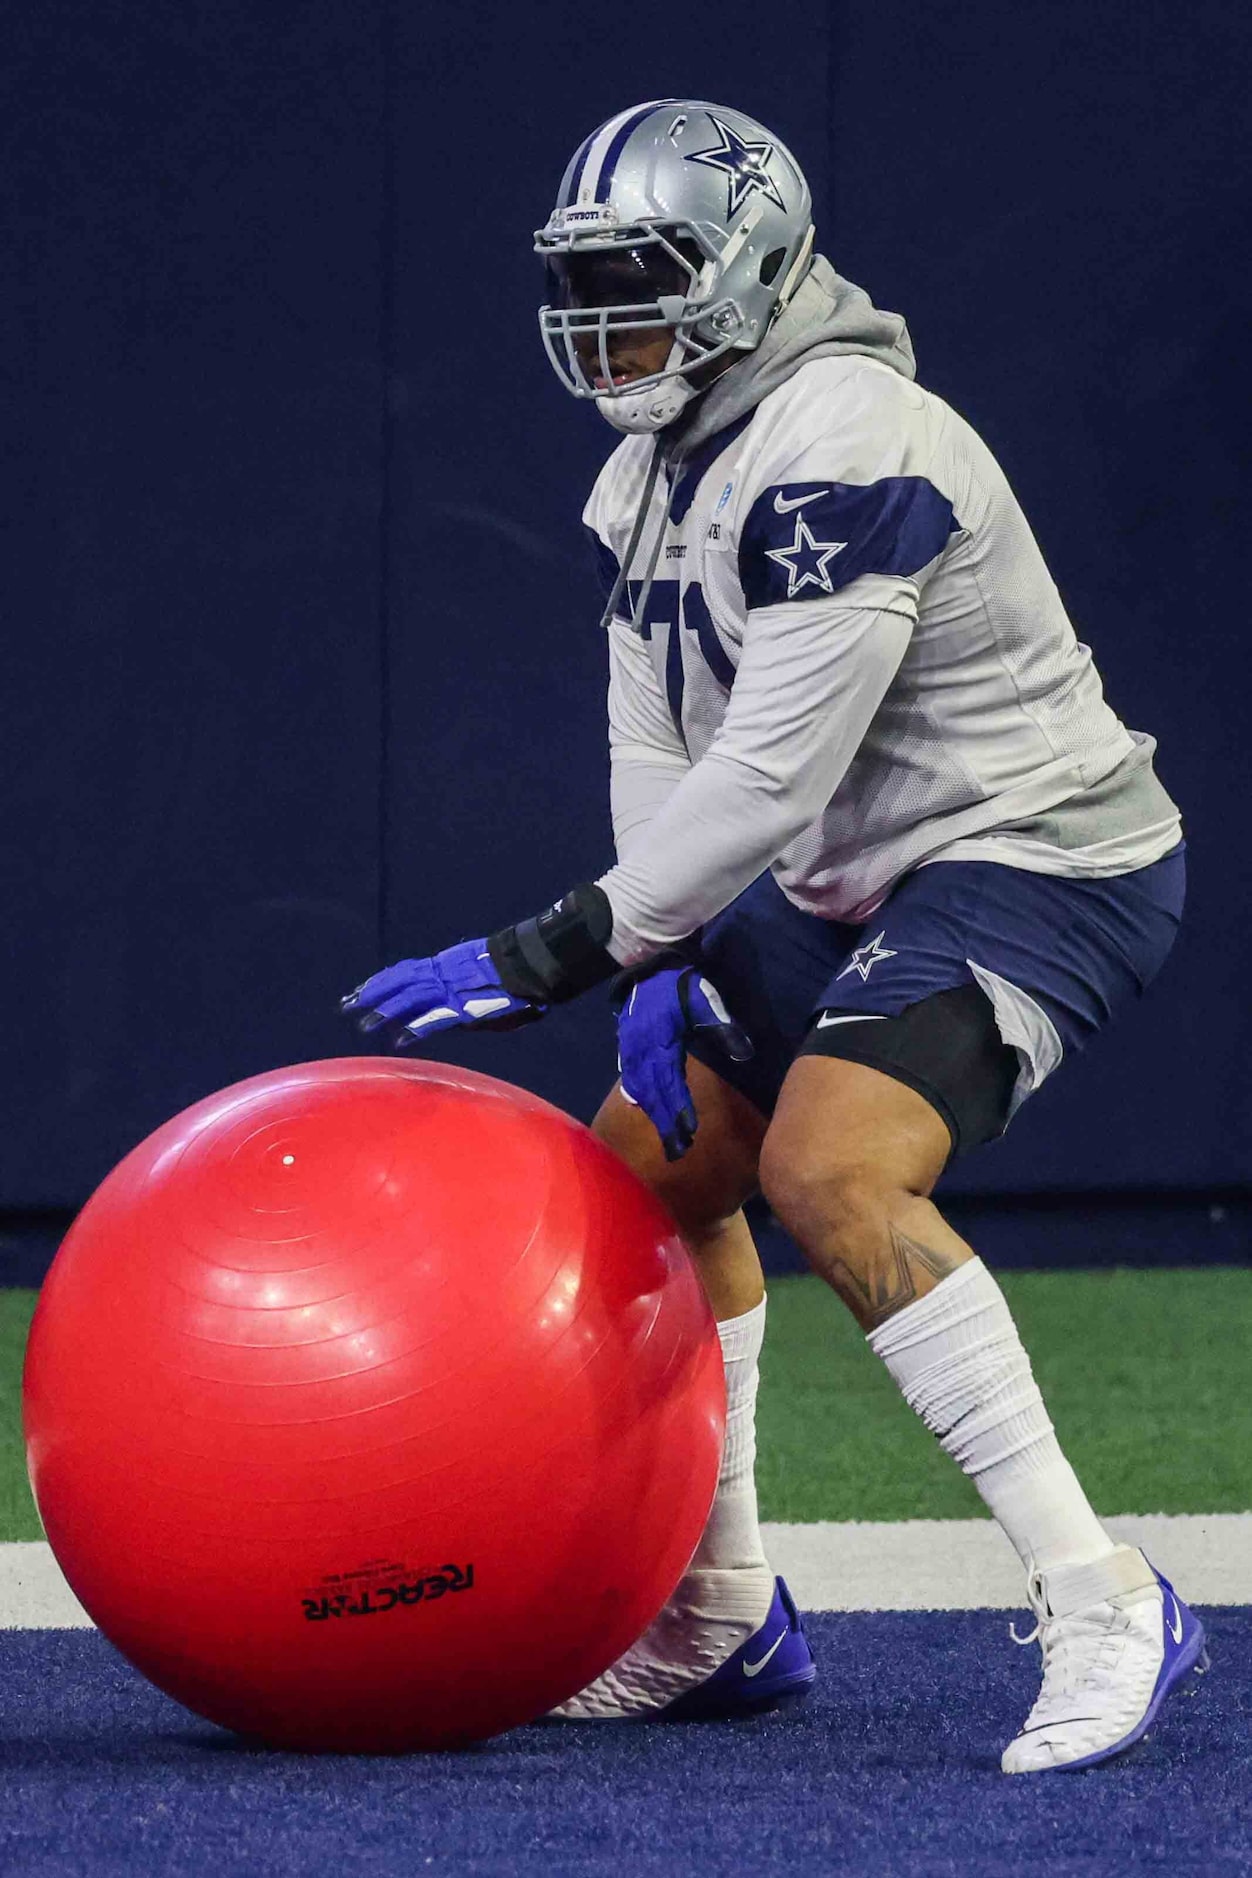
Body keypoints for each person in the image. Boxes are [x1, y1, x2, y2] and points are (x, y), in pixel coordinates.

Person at [342, 99, 1207, 1772]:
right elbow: (659, 743)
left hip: (1039, 854)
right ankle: (719, 1607)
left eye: (639, 281)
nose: (603, 324)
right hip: (857, 872)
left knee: (832, 1169)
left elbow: (770, 766)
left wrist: (558, 949)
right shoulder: (654, 468)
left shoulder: (847, 437)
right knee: (653, 1168)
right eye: (582, 285)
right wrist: (655, 950)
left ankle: (1104, 1590)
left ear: (743, 270)